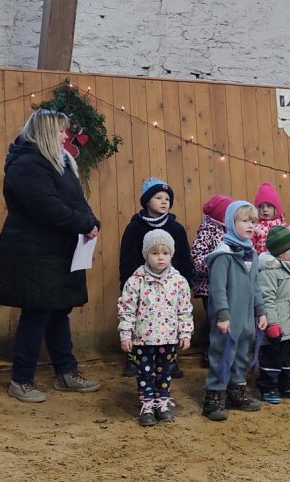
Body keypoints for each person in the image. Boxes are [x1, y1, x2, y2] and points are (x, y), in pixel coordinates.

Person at [0, 109, 102, 403]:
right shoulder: (27, 166)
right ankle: (21, 379)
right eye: (60, 131)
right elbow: (48, 208)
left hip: (56, 250)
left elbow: (76, 201)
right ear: (45, 132)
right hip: (33, 252)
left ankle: (66, 372)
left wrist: (92, 221)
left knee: (59, 310)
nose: (64, 136)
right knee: (37, 313)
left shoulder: (60, 162)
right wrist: (85, 224)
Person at [118, 177, 193, 378]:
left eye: (167, 198)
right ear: (146, 200)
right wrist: (127, 283)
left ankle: (170, 360)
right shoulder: (135, 227)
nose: (164, 201)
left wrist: (187, 282)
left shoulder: (176, 228)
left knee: (170, 322)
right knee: (140, 321)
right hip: (143, 285)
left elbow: (184, 257)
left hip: (170, 286)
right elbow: (127, 257)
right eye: (158, 197)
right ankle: (134, 358)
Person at [117, 229, 194, 426]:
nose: (160, 257)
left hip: (169, 339)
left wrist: (185, 333)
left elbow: (185, 310)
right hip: (143, 339)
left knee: (165, 372)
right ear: (146, 254)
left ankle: (162, 402)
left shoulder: (179, 282)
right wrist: (126, 334)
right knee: (145, 372)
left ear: (171, 255)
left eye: (165, 253)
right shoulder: (136, 281)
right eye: (155, 253)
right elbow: (127, 309)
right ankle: (147, 405)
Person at [202, 200, 268, 422]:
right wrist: (222, 314)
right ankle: (214, 397)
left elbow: (256, 287)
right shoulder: (223, 255)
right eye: (244, 221)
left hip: (247, 321)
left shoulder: (252, 254)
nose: (250, 225)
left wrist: (260, 311)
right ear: (231, 223)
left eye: (253, 221)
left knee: (241, 356)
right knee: (222, 355)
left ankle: (236, 391)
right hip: (228, 319)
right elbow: (217, 289)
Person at [256, 226, 290, 404]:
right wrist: (272, 324)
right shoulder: (269, 272)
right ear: (281, 251)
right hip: (277, 327)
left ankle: (287, 385)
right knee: (272, 358)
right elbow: (266, 299)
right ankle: (268, 387)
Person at [190, 194, 232, 368]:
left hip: (228, 285)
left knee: (225, 318)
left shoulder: (229, 230)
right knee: (214, 319)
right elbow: (196, 257)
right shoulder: (207, 231)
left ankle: (225, 351)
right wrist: (216, 267)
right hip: (209, 287)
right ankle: (209, 352)